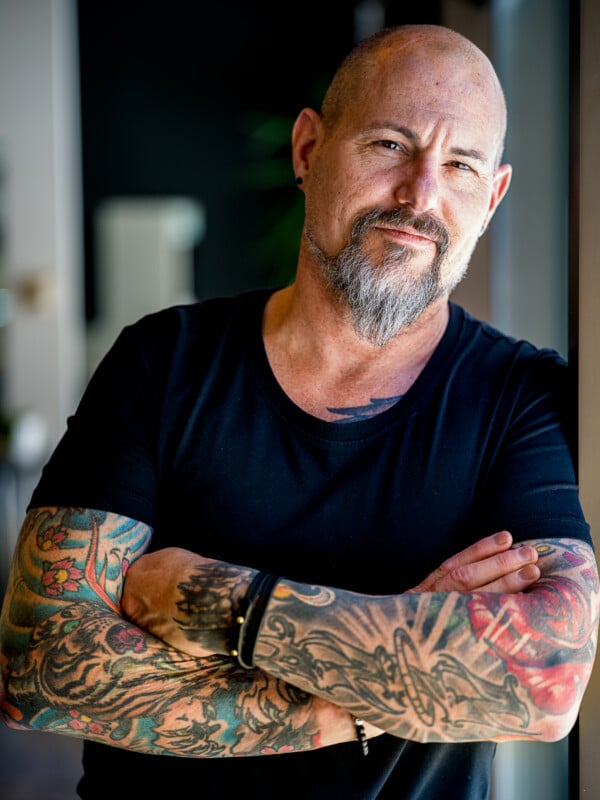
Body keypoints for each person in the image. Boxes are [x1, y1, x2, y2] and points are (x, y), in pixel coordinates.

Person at [0, 22, 598, 800]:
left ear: (492, 197)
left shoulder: (522, 398)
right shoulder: (163, 360)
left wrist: (221, 600)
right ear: (309, 150)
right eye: (389, 145)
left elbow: (541, 683)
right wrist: (388, 681)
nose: (420, 195)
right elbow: (41, 666)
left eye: (459, 165)